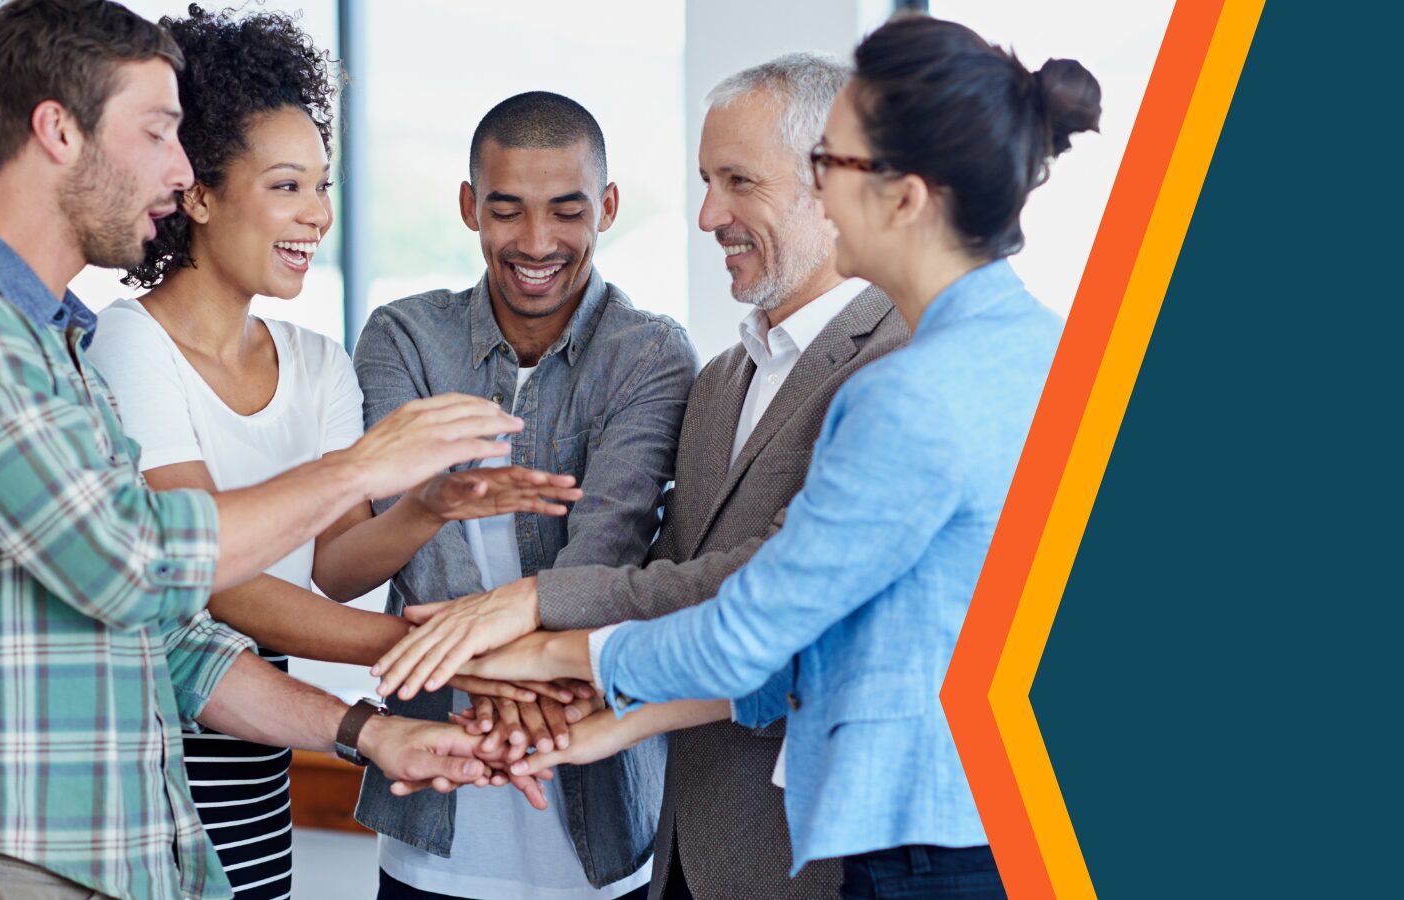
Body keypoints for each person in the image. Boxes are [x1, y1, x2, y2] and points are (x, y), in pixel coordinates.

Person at [374, 14, 1102, 900]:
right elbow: (823, 642)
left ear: (905, 197)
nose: (824, 196)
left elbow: (754, 628)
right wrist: (609, 724)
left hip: (925, 847)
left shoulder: (909, 388)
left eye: (829, 168)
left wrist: (548, 650)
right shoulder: (1043, 349)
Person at [0, 2, 521, 898]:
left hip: (133, 859)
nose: (178, 164)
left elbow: (171, 637)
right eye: (158, 132)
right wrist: (359, 470)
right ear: (57, 131)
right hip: (11, 862)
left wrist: (367, 732)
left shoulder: (54, 349)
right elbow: (139, 560)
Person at [379, 53, 910, 900]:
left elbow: (767, 591)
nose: (708, 215)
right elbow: (664, 570)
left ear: (833, 183)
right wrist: (582, 697)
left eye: (738, 182)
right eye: (706, 180)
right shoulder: (722, 378)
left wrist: (536, 615)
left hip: (822, 860)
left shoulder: (898, 361)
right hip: (683, 852)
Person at [80, 8, 584, 898]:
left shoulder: (314, 361)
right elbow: (204, 575)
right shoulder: (127, 346)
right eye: (286, 187)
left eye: (321, 186)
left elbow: (339, 568)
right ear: (196, 193)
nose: (317, 215)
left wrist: (429, 505)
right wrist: (451, 657)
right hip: (150, 743)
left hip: (259, 744)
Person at [353, 92, 699, 900]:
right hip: (436, 816)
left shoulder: (652, 353)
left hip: (605, 823)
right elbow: (420, 549)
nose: (536, 243)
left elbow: (603, 557)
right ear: (470, 205)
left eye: (567, 212)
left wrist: (501, 669)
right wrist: (518, 678)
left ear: (607, 208)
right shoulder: (402, 337)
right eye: (506, 210)